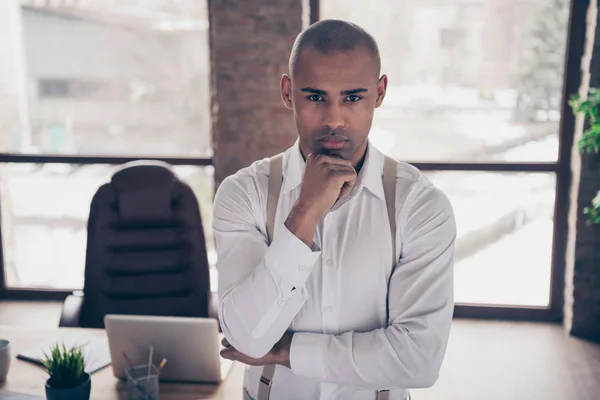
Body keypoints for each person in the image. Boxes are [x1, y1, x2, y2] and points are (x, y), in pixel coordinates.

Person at [213, 19, 456, 400]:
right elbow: (244, 337)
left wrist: (284, 352)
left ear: (379, 93)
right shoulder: (244, 194)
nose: (334, 119)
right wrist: (303, 215)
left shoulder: (421, 206)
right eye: (315, 97)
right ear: (288, 92)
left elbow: (418, 360)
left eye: (353, 98)